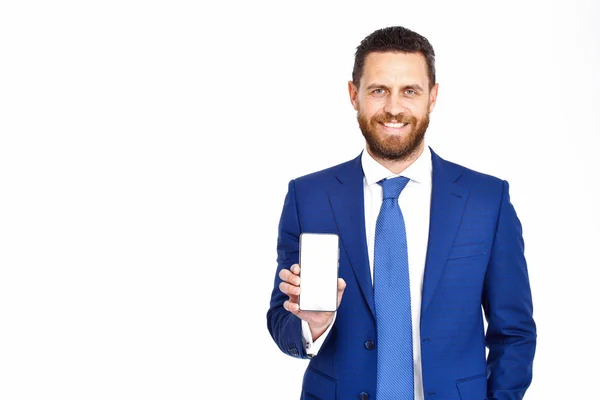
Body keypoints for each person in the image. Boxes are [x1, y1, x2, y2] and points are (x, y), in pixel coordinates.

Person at [267, 26, 536, 400]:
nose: (394, 107)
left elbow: (515, 332)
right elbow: (281, 320)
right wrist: (311, 326)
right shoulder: (309, 196)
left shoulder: (486, 200)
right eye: (379, 90)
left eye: (410, 91)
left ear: (433, 97)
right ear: (353, 95)